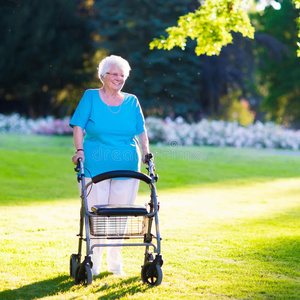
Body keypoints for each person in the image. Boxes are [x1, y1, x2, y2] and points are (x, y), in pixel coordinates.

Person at [69, 55, 150, 276]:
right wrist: (79, 152)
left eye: (122, 75)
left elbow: (141, 130)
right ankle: (93, 262)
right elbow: (78, 125)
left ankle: (115, 263)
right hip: (94, 167)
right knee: (96, 214)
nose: (118, 78)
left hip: (127, 168)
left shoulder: (132, 101)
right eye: (114, 74)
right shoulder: (91, 97)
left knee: (119, 216)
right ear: (103, 75)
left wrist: (146, 153)